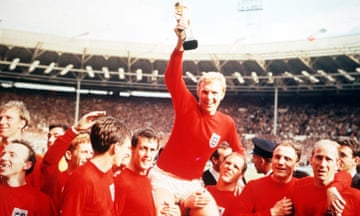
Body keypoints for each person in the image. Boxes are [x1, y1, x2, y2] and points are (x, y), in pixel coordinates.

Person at [148, 26, 245, 216]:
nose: (209, 97)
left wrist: (239, 176)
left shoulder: (227, 123)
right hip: (164, 179)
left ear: (222, 94)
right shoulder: (187, 106)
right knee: (165, 214)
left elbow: (239, 151)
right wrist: (180, 44)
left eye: (214, 92)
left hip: (192, 184)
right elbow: (171, 77)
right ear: (198, 92)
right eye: (205, 92)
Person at [60, 116, 132, 216]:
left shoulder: (108, 173)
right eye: (127, 147)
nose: (128, 153)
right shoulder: (82, 179)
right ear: (115, 148)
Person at [40, 111, 104, 212]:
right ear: (69, 155)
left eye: (91, 153)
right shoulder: (55, 177)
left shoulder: (92, 182)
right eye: (84, 152)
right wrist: (75, 130)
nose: (88, 157)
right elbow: (49, 160)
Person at [114, 127, 180, 216]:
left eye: (152, 150)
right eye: (143, 148)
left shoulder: (146, 180)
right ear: (132, 149)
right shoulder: (121, 181)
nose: (148, 155)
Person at [225, 141, 301, 216]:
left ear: (296, 165)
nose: (280, 162)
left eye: (287, 159)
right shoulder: (253, 187)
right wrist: (272, 213)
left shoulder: (302, 188)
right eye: (277, 157)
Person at [292, 139, 360, 215]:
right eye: (319, 158)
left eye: (328, 159)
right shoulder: (299, 187)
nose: (322, 164)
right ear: (311, 160)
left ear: (338, 164)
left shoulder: (356, 197)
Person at [0, 139, 57, 215]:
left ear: (27, 165)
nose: (3, 158)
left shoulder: (41, 201)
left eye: (12, 155)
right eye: (2, 154)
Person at [0, 100, 42, 189]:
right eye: (0, 118)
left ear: (21, 123)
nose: (1, 122)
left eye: (8, 118)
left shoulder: (34, 159)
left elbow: (34, 193)